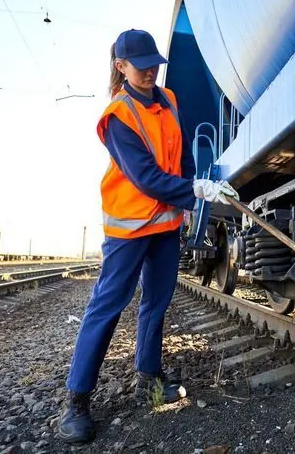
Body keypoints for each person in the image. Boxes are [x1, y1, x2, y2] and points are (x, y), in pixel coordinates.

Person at [58, 29, 238, 443]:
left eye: (154, 64)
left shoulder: (169, 98)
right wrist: (195, 193)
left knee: (156, 303)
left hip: (165, 226)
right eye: (141, 66)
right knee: (108, 306)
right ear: (121, 66)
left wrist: (197, 184)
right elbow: (146, 178)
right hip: (130, 227)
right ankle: (77, 400)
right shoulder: (117, 117)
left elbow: (184, 151)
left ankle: (149, 376)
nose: (150, 72)